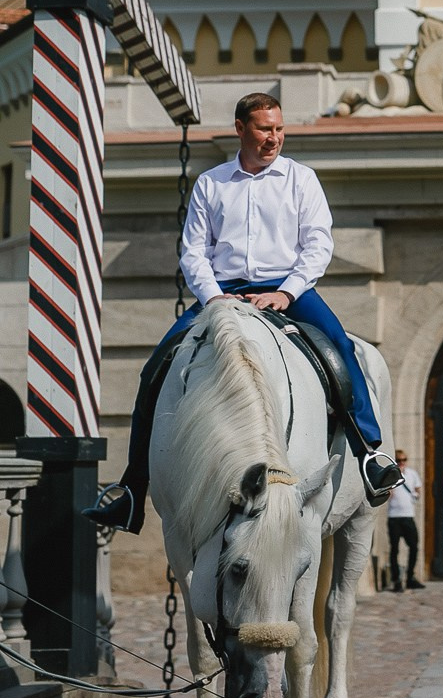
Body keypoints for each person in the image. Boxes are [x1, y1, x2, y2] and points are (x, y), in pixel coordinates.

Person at [83, 92, 402, 533]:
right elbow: (194, 252)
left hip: (289, 289)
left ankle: (370, 454)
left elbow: (318, 245)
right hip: (223, 291)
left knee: (341, 350)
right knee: (156, 368)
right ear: (241, 129)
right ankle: (134, 488)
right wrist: (213, 297)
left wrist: (287, 294)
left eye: (279, 129)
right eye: (264, 129)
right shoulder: (211, 184)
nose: (274, 138)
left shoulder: (301, 179)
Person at [386, 449, 424, 592]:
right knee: (394, 549)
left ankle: (410, 577)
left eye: (404, 460)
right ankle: (396, 580)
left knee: (414, 547)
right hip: (394, 517)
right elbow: (387, 494)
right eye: (398, 460)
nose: (401, 463)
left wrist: (416, 495)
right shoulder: (391, 474)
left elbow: (418, 488)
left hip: (408, 516)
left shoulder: (412, 474)